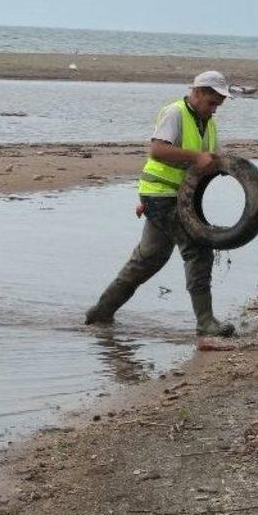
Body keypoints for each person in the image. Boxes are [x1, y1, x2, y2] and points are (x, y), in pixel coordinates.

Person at [85, 70, 236, 337]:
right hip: (163, 195)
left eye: (218, 105)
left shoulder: (208, 122)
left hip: (175, 198)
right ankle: (206, 322)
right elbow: (157, 150)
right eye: (211, 103)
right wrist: (195, 158)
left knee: (148, 259)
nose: (214, 110)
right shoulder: (175, 113)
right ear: (197, 92)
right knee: (198, 249)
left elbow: (206, 159)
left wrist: (218, 164)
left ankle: (101, 311)